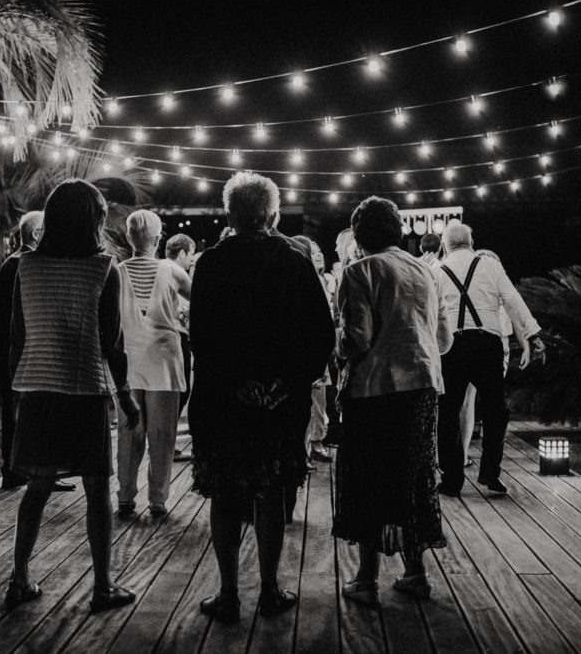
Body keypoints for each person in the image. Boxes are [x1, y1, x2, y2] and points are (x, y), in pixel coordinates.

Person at [189, 171, 333, 622]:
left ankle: (229, 593)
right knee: (271, 494)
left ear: (230, 214)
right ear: (272, 213)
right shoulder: (295, 261)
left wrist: (238, 383)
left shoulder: (210, 263)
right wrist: (285, 383)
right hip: (279, 407)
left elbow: (202, 336)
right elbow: (321, 335)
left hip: (224, 404)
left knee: (226, 496)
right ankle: (270, 589)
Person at [7, 179, 141, 611]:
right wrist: (125, 394)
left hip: (38, 388)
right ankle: (103, 586)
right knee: (98, 487)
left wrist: (17, 389)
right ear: (94, 220)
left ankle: (19, 578)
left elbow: (16, 337)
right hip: (85, 387)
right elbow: (112, 343)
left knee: (38, 486)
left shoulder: (26, 265)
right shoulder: (106, 268)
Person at [332, 196, 453, 606]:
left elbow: (358, 338)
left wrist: (337, 343)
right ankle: (415, 573)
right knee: (413, 477)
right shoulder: (426, 270)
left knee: (367, 476)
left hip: (375, 389)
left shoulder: (360, 270)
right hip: (422, 386)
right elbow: (444, 339)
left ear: (360, 235)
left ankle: (365, 579)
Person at [434, 223, 545, 498]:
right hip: (487, 345)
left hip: (451, 346)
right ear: (471, 242)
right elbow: (513, 300)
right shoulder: (490, 267)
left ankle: (452, 479)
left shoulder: (434, 271)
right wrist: (533, 334)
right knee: (495, 411)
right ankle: (490, 473)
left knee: (447, 413)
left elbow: (427, 312)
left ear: (444, 245)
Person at [115, 210, 191, 518]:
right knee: (162, 434)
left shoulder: (116, 271)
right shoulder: (172, 270)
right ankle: (158, 500)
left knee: (128, 431)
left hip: (128, 360)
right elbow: (199, 298)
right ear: (158, 239)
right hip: (164, 360)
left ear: (129, 238)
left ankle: (124, 496)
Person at [0, 211, 76, 493]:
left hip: (10, 347)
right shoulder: (25, 263)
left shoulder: (10, 263)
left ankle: (17, 470)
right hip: (26, 349)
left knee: (16, 410)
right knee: (28, 412)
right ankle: (27, 471)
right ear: (37, 234)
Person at [459, 249, 537, 468]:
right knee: (470, 400)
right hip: (481, 345)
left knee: (489, 402)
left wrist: (526, 345)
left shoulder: (500, 291)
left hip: (499, 347)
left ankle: (486, 448)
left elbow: (515, 317)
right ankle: (465, 453)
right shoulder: (476, 291)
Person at [291, 235, 335, 465]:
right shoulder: (305, 277)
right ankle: (304, 448)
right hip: (306, 345)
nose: (318, 253)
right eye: (312, 250)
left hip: (318, 344)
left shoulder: (323, 278)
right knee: (305, 398)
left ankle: (316, 442)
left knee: (319, 399)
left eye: (319, 250)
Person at [165, 233, 196, 463]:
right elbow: (196, 299)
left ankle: (166, 442)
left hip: (166, 338)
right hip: (177, 336)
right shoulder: (177, 272)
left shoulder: (158, 268)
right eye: (190, 254)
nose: (191, 260)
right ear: (183, 252)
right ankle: (168, 444)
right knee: (181, 390)